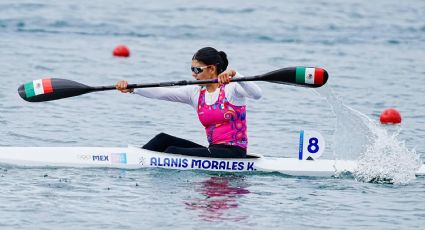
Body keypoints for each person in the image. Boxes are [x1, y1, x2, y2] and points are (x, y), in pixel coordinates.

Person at [115, 47, 262, 158]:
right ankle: (136, 159)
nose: (193, 74)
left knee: (172, 152)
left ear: (211, 69)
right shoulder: (196, 93)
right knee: (162, 140)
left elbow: (257, 94)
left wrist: (235, 74)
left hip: (234, 153)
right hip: (214, 150)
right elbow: (162, 92)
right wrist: (133, 89)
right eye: (192, 69)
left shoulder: (232, 88)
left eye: (197, 69)